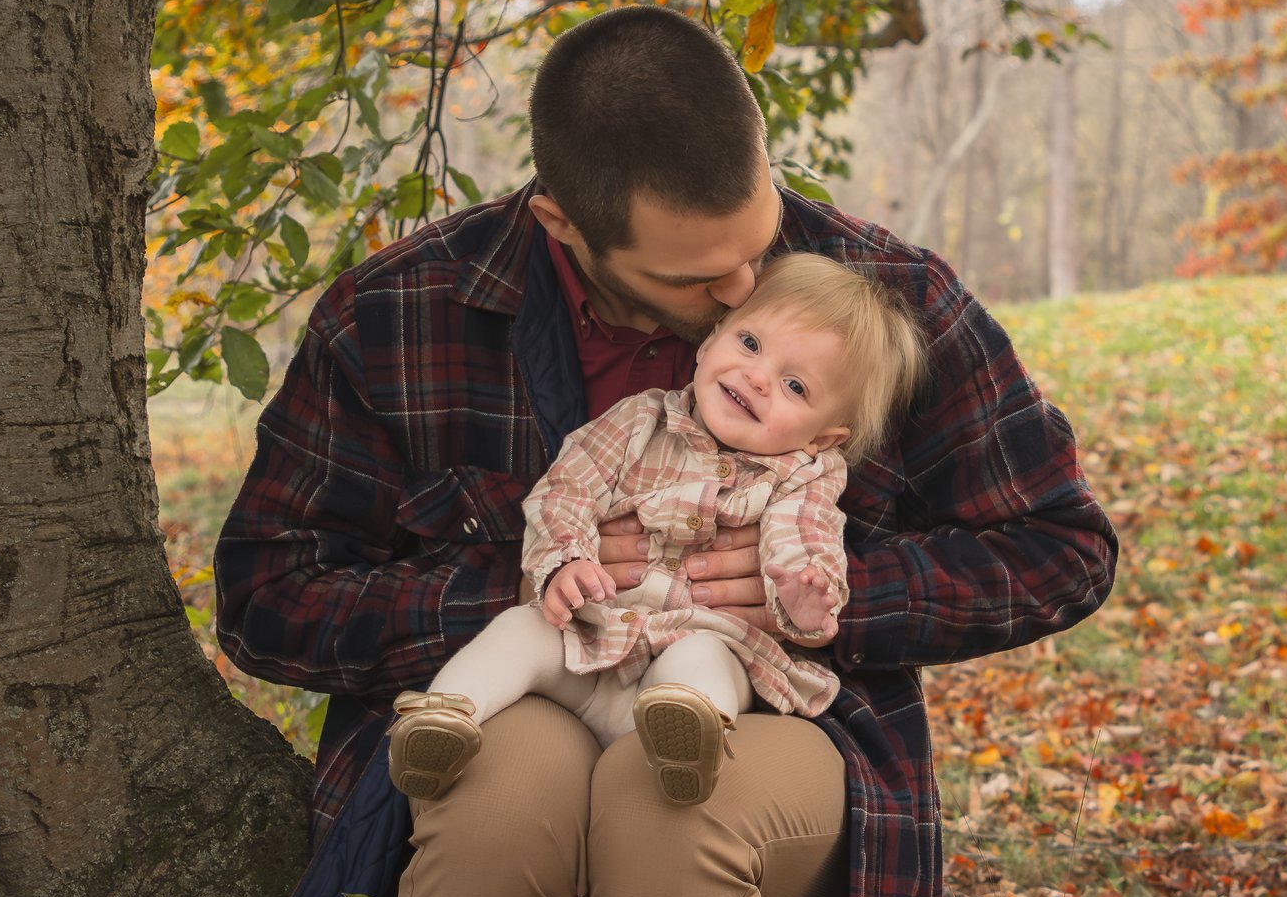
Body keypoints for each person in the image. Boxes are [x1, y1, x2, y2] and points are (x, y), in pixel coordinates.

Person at [213, 5, 1114, 897]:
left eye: (760, 238)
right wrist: (527, 592)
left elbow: (1062, 544)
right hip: (539, 695)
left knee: (660, 791)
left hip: (766, 731)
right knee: (491, 785)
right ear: (568, 228)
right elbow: (266, 591)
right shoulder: (398, 314)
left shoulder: (881, 298)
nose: (750, 286)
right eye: (705, 283)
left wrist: (813, 591)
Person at [383, 254, 928, 809]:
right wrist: (565, 561)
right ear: (711, 338)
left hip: (695, 644)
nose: (757, 378)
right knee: (523, 629)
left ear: (825, 438)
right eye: (749, 344)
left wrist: (806, 601)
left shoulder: (800, 479)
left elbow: (802, 544)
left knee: (705, 659)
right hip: (590, 639)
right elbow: (565, 489)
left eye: (794, 385)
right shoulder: (637, 422)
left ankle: (686, 741)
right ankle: (447, 717)